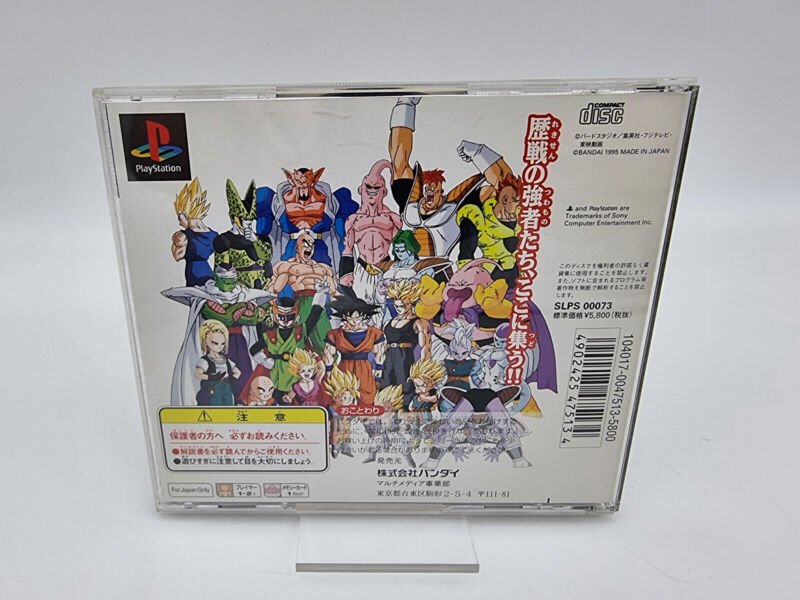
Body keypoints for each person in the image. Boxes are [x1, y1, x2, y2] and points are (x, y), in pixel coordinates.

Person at [339, 160, 402, 316]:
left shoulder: (393, 219)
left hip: (385, 267)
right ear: (361, 190)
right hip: (362, 269)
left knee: (387, 311)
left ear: (384, 191)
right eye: (368, 187)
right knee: (361, 312)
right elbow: (348, 248)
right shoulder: (352, 220)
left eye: (376, 188)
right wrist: (345, 274)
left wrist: (398, 272)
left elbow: (400, 248)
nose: (372, 190)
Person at [270, 230, 337, 354]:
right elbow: (274, 289)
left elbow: (334, 292)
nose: (309, 248)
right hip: (302, 302)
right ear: (297, 247)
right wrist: (271, 307)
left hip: (320, 301)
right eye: (305, 244)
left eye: (311, 245)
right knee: (299, 340)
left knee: (326, 341)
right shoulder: (288, 266)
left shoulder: (323, 268)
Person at [324, 287, 387, 405]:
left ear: (363, 316)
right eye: (350, 317)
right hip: (344, 369)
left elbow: (379, 353)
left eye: (357, 317)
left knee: (366, 399)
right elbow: (328, 354)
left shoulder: (374, 333)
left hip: (365, 370)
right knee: (342, 399)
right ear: (344, 316)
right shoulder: (335, 334)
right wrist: (329, 372)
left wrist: (378, 372)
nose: (354, 321)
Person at [381, 279, 431, 387]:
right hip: (388, 358)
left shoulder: (418, 322)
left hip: (404, 357)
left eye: (403, 305)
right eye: (397, 306)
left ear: (411, 304)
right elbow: (383, 345)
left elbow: (425, 348)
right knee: (386, 386)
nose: (399, 309)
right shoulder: (387, 323)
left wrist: (422, 370)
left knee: (405, 386)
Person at [171, 177, 217, 286]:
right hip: (207, 272)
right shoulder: (214, 235)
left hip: (193, 272)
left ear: (188, 214)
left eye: (180, 217)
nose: (180, 223)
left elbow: (177, 257)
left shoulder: (183, 235)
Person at [194, 319, 241, 406]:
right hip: (213, 388)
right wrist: (212, 377)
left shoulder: (225, 359)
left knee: (228, 406)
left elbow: (238, 372)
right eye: (215, 343)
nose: (219, 346)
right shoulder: (206, 360)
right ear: (206, 341)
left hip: (226, 387)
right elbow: (197, 374)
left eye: (222, 343)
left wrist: (231, 379)